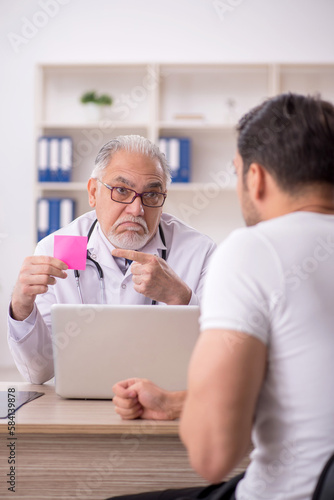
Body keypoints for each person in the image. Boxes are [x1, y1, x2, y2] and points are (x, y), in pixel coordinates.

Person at [110, 93, 334, 500]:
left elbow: (213, 454)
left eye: (236, 172)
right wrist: (178, 403)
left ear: (256, 178)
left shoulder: (254, 250)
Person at [8, 135, 216, 384]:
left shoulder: (198, 251)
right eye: (121, 190)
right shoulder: (58, 249)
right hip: (81, 402)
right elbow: (39, 372)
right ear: (93, 192)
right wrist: (21, 306)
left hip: (165, 402)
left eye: (151, 194)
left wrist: (181, 299)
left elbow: (219, 358)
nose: (136, 209)